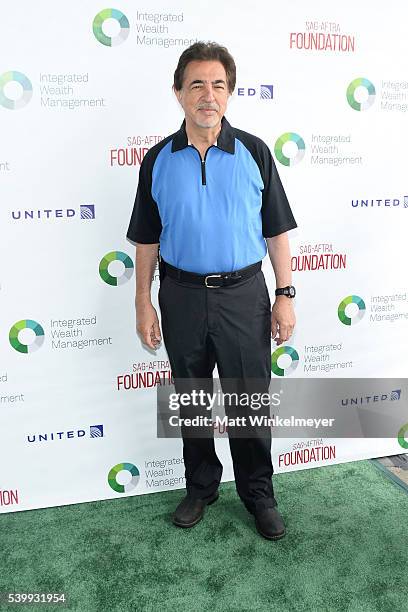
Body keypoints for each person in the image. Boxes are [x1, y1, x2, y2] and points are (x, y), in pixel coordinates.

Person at [127, 41, 297, 540]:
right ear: (178, 92)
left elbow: (277, 231)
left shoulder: (255, 152)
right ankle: (201, 487)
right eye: (197, 84)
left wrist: (285, 294)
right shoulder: (157, 159)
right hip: (179, 295)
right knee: (193, 397)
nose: (208, 94)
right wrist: (142, 301)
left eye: (218, 85)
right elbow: (147, 238)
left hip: (244, 294)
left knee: (248, 401)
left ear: (230, 94)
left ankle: (258, 495)